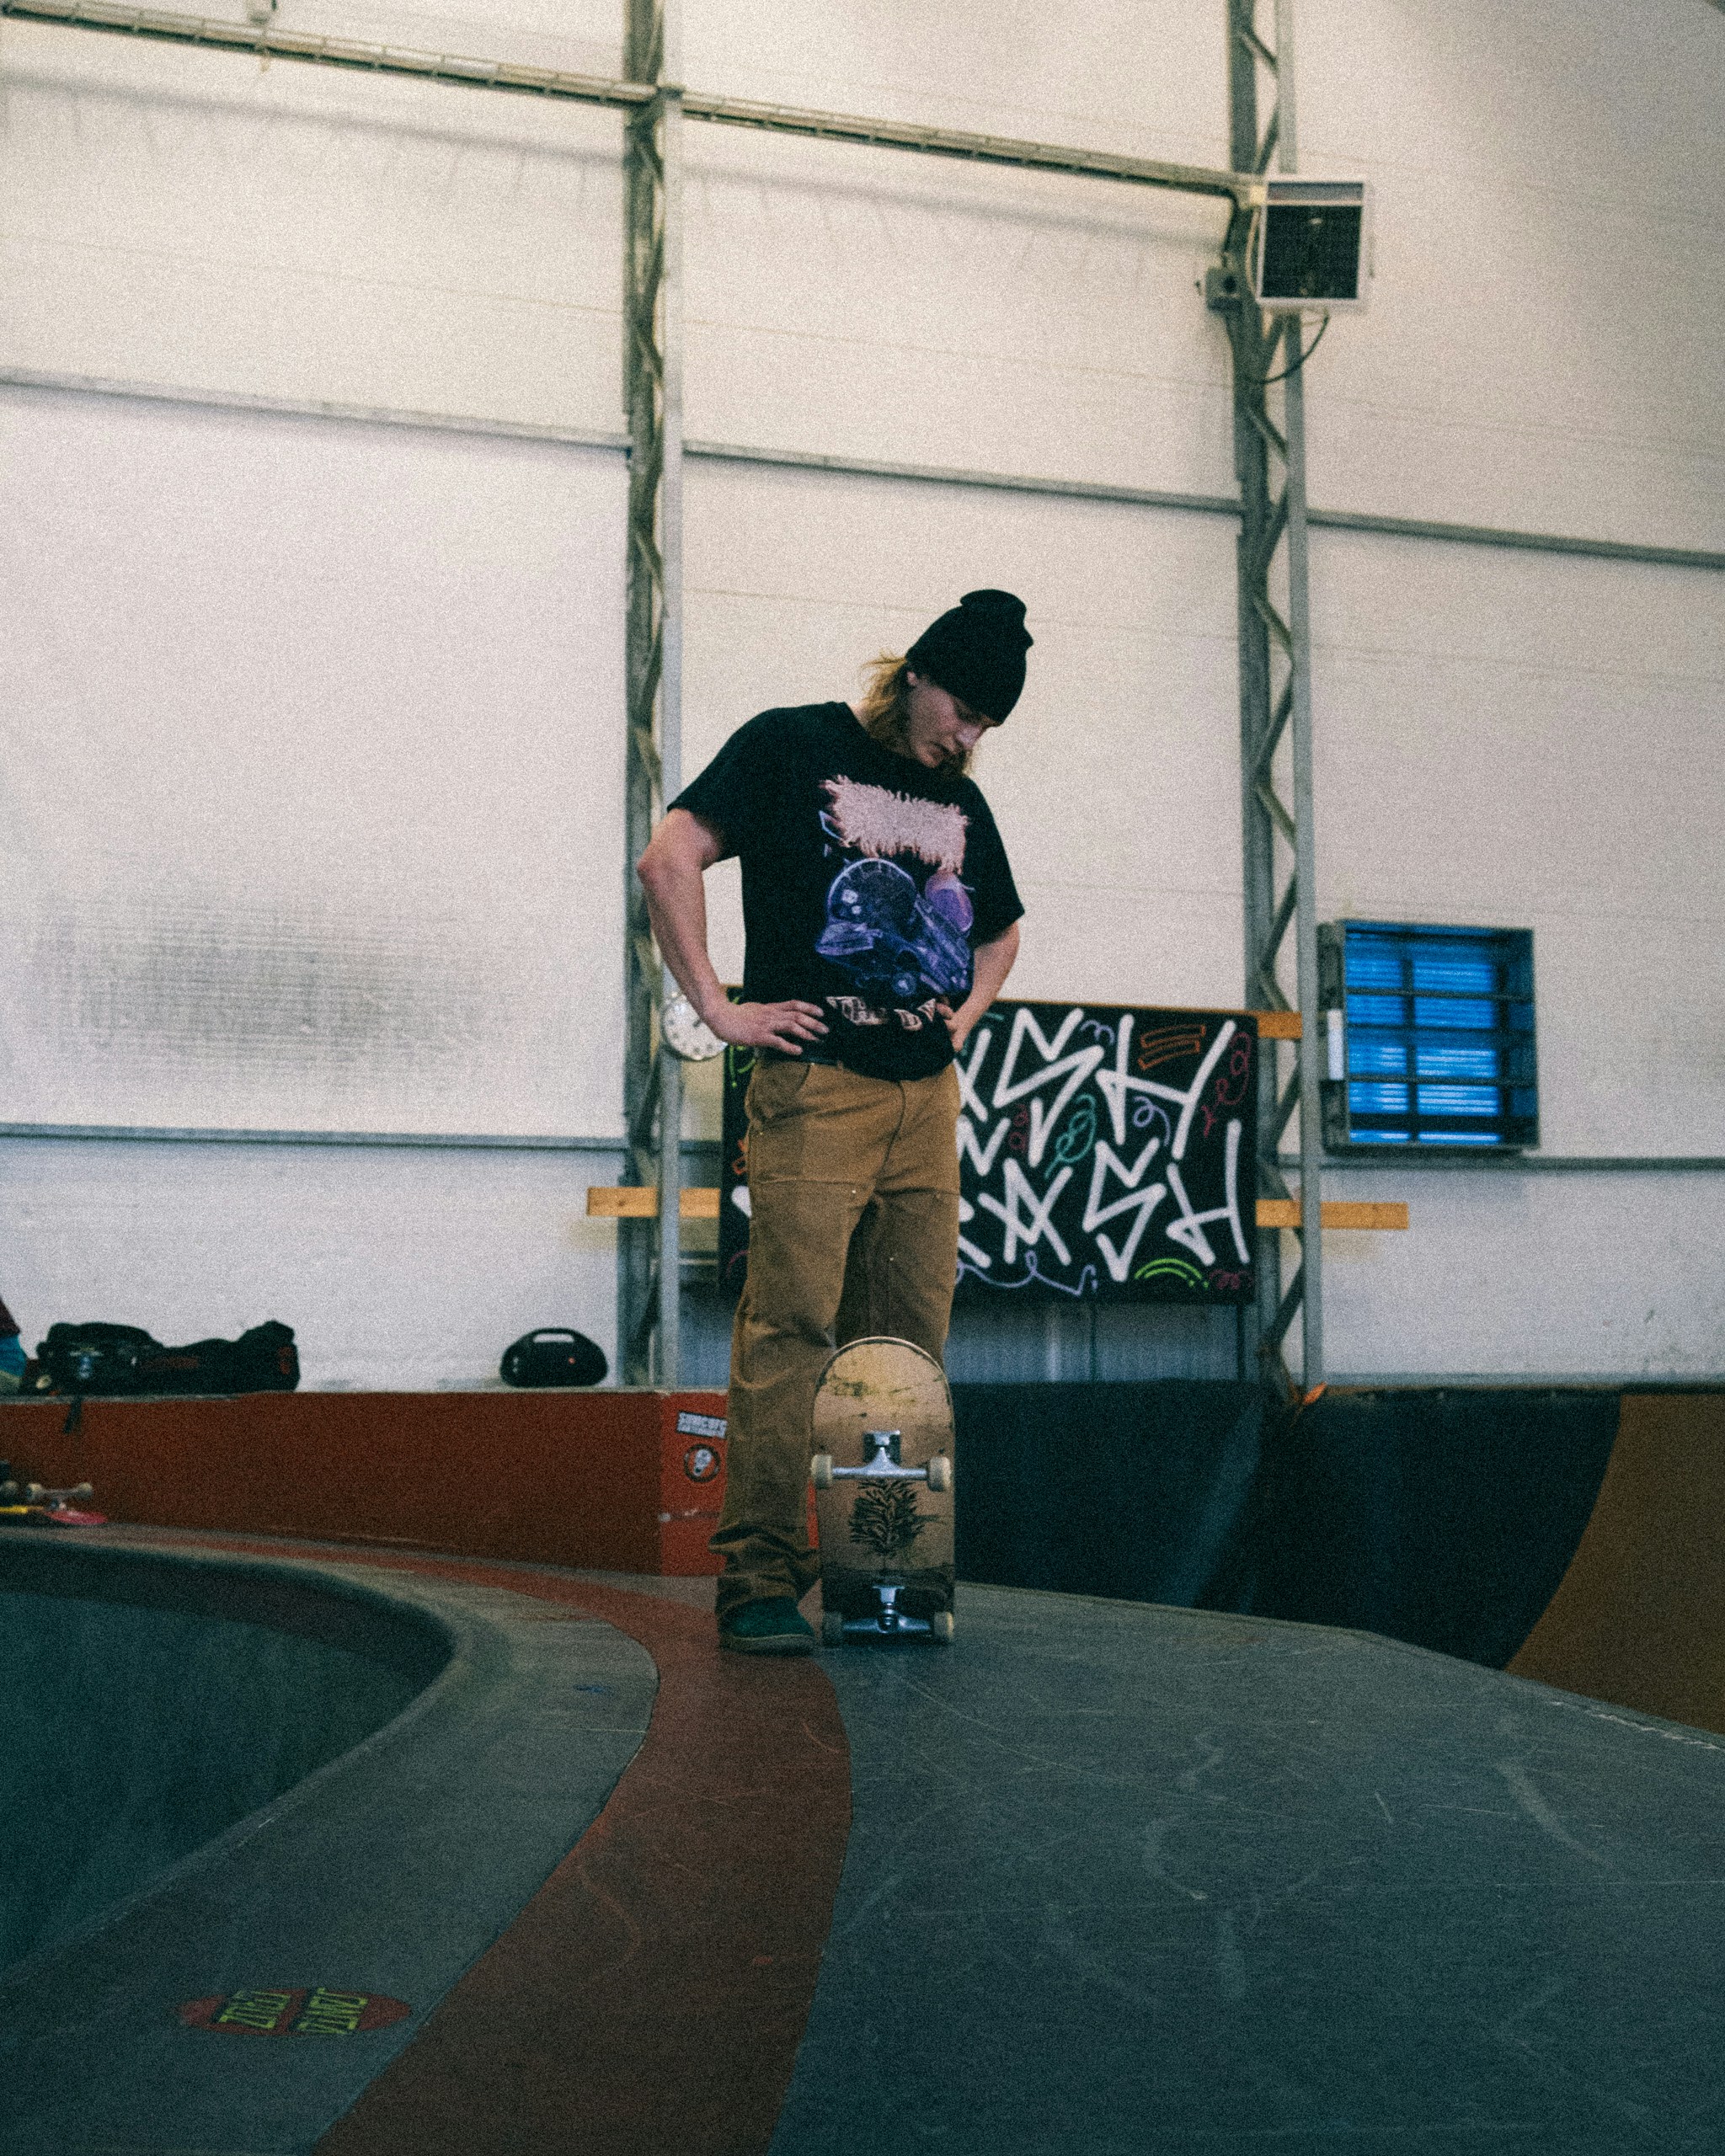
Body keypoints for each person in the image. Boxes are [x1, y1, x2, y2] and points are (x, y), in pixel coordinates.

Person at [636, 589, 1031, 1654]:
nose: (969, 735)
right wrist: (718, 1007)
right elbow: (666, 857)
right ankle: (760, 1576)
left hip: (922, 1097)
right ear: (915, 675)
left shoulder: (963, 808)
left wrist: (962, 1019)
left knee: (905, 1344)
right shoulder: (791, 745)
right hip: (815, 1083)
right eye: (962, 709)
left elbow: (999, 934)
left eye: (991, 724)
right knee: (792, 1327)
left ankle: (884, 1574)